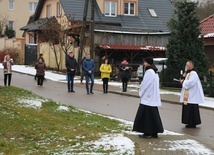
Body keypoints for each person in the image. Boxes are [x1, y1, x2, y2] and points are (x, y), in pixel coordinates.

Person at [133, 57, 164, 139]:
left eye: (145, 62)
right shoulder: (154, 71)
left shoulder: (149, 72)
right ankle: (154, 131)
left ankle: (147, 132)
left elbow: (145, 83)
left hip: (148, 96)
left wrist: (140, 90)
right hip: (152, 96)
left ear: (148, 63)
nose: (144, 63)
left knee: (146, 116)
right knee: (153, 115)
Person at [179, 61, 204, 128]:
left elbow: (189, 83)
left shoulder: (193, 73)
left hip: (192, 95)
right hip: (189, 95)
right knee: (188, 108)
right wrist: (184, 78)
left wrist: (183, 81)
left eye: (187, 65)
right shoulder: (189, 73)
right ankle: (189, 122)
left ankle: (192, 123)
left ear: (191, 66)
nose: (186, 66)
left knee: (191, 109)